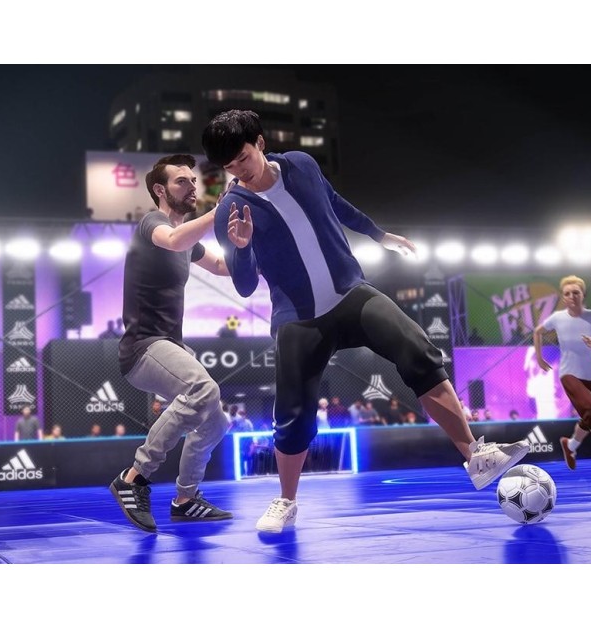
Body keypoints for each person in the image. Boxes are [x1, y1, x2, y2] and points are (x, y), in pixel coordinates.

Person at [203, 109, 529, 532]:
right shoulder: (229, 211)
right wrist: (243, 247)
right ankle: (286, 500)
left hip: (351, 294)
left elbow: (336, 204)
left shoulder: (301, 164)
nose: (238, 171)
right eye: (229, 166)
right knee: (294, 414)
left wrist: (380, 235)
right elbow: (246, 286)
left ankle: (475, 455)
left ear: (260, 143)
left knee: (418, 349)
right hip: (298, 318)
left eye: (243, 158)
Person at [109, 153, 234, 533]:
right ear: (160, 190)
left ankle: (185, 500)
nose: (192, 186)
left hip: (170, 346)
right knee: (202, 389)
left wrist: (258, 251)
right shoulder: (153, 223)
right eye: (182, 181)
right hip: (143, 348)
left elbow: (222, 266)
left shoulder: (187, 242)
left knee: (217, 423)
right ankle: (133, 478)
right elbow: (175, 238)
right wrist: (219, 210)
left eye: (193, 180)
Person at [533, 274, 591, 474]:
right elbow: (537, 331)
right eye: (567, 293)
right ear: (563, 297)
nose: (572, 296)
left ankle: (571, 445)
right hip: (569, 373)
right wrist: (539, 358)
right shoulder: (557, 318)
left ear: (583, 294)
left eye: (576, 292)